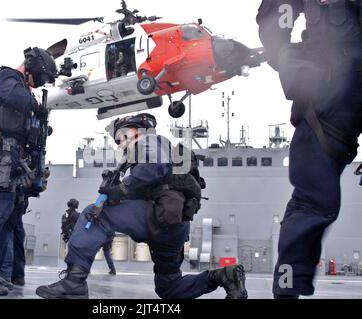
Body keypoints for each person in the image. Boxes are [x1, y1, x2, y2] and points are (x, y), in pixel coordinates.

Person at [35, 113, 247, 299]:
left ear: (137, 130)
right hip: (174, 225)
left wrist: (122, 189)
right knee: (169, 287)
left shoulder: (148, 141)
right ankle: (225, 276)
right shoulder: (159, 147)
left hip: (156, 214)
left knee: (94, 214)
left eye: (122, 136)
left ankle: (74, 283)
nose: (120, 142)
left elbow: (153, 168)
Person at [256, 0, 362, 298]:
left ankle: (288, 289)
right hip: (330, 94)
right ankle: (290, 287)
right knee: (315, 200)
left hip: (330, 95)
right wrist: (286, 56)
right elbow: (277, 15)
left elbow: (277, 15)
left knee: (311, 202)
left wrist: (285, 55)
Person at [0, 47, 57, 296]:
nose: (40, 84)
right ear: (31, 68)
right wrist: (37, 107)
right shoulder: (7, 77)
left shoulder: (20, 87)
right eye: (42, 77)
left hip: (12, 158)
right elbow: (18, 99)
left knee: (2, 218)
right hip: (1, 156)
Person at [62, 198, 116, 275]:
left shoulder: (66, 214)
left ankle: (76, 268)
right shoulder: (76, 214)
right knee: (104, 253)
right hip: (106, 236)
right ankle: (112, 269)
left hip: (72, 235)